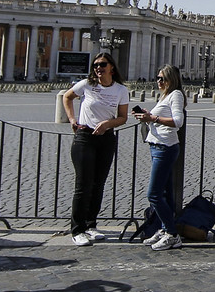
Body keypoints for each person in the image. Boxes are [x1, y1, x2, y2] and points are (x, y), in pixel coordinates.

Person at [62, 52, 130, 246]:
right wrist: (72, 119)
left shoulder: (120, 90)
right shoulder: (87, 85)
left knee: (98, 184)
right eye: (95, 65)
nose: (98, 68)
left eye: (102, 65)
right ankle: (77, 229)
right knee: (83, 185)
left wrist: (108, 124)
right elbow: (67, 97)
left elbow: (123, 117)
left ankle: (91, 225)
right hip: (84, 137)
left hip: (106, 138)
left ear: (112, 68)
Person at [132, 65, 186, 252]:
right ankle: (165, 230)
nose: (159, 81)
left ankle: (172, 234)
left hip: (166, 148)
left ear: (171, 79)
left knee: (153, 194)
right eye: (158, 78)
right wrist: (147, 116)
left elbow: (178, 121)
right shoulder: (164, 95)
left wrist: (153, 118)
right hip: (157, 146)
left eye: (162, 78)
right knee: (165, 194)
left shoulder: (176, 95)